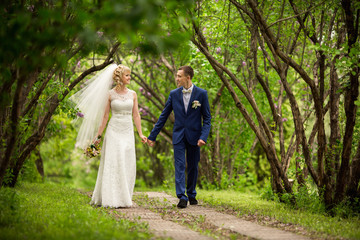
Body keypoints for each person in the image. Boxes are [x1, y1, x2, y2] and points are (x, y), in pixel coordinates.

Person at [72, 64, 147, 208]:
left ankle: (124, 197)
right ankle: (110, 196)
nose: (129, 77)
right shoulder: (110, 94)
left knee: (126, 161)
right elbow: (105, 116)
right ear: (119, 78)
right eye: (127, 75)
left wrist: (141, 133)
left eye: (129, 75)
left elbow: (136, 115)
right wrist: (98, 136)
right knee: (114, 161)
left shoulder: (133, 94)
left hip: (127, 130)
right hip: (113, 130)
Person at [147, 65, 211, 208]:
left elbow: (207, 118)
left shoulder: (201, 94)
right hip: (179, 136)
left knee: (193, 166)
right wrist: (152, 136)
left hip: (195, 137)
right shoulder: (173, 94)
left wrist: (203, 137)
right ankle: (182, 196)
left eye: (179, 76)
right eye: (177, 76)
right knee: (180, 165)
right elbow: (163, 116)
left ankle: (191, 193)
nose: (177, 78)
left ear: (187, 77)